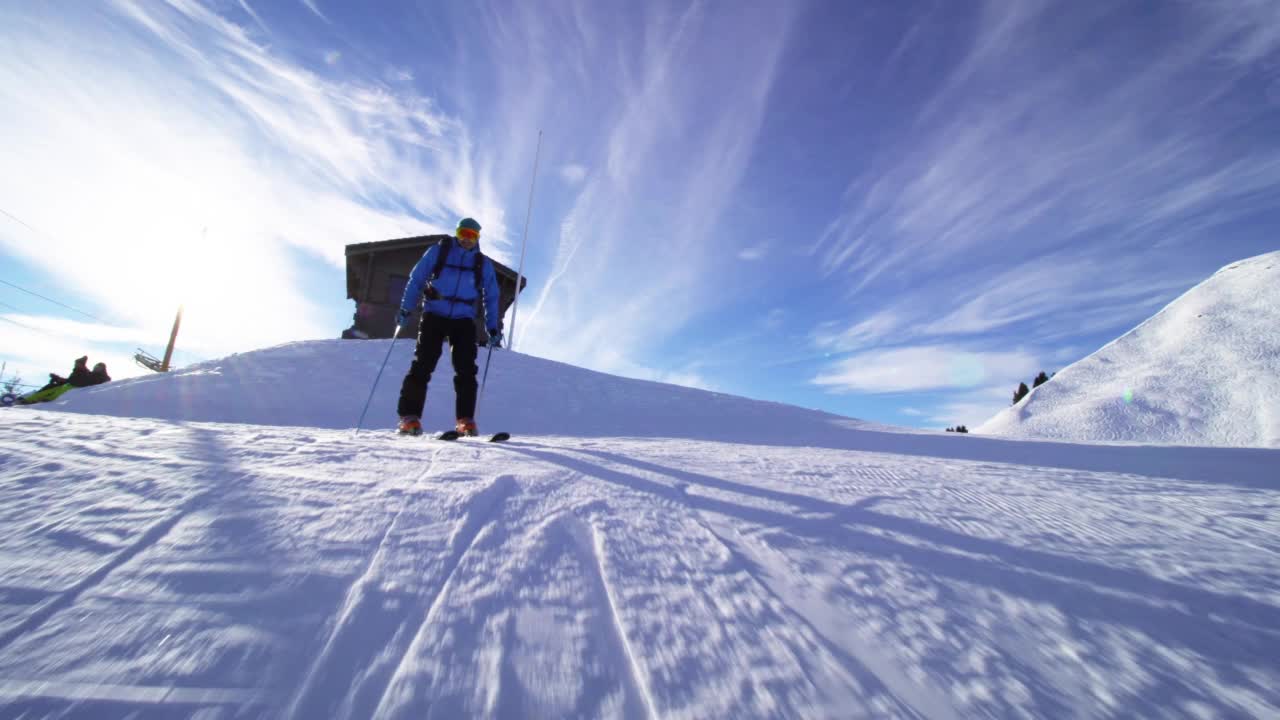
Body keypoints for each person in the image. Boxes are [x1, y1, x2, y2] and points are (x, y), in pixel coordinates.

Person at [395, 217, 502, 436]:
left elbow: (491, 296)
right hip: (435, 313)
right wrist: (406, 308)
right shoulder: (440, 251)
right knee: (423, 363)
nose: (467, 239)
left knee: (466, 369)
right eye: (463, 233)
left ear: (478, 239)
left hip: (463, 319)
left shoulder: (482, 263)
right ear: (457, 233)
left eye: (472, 236)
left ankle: (465, 420)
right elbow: (417, 278)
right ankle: (409, 417)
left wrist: (493, 327)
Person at [18, 356, 111, 404]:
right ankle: (30, 399)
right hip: (73, 383)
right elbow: (70, 380)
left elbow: (102, 386)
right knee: (52, 386)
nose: (96, 368)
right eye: (95, 367)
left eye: (98, 368)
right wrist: (58, 379)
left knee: (64, 388)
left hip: (79, 387)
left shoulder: (104, 377)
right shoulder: (90, 374)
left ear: (103, 369)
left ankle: (47, 399)